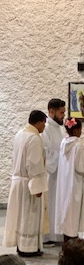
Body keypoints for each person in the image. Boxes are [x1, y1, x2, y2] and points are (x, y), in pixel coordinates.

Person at [3, 110, 48, 257]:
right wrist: (38, 186)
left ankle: (21, 246)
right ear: (40, 122)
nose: (44, 127)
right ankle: (28, 248)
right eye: (44, 124)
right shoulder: (33, 138)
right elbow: (34, 164)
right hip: (29, 183)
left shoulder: (20, 134)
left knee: (20, 216)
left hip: (19, 181)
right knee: (29, 217)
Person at [55, 117, 84, 243]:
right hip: (75, 183)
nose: (81, 132)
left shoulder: (64, 143)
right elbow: (81, 167)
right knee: (74, 212)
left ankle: (67, 240)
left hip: (65, 182)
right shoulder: (77, 145)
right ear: (77, 129)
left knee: (67, 212)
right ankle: (72, 241)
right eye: (80, 129)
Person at [41, 98, 66, 244]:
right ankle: (48, 236)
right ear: (51, 111)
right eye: (61, 112)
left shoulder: (58, 127)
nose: (63, 115)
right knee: (50, 204)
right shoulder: (46, 128)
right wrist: (63, 157)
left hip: (59, 173)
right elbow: (46, 152)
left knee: (57, 204)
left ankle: (56, 234)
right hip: (51, 174)